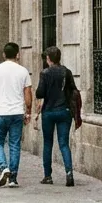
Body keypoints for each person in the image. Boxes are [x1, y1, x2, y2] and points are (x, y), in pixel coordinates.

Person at [0, 42, 32, 187]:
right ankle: (13, 178)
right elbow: (28, 93)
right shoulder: (23, 71)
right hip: (17, 113)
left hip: (0, 112)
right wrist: (28, 111)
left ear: (4, 55)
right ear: (18, 55)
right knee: (14, 145)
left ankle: (4, 167)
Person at [34, 47, 78, 186]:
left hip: (49, 112)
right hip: (65, 111)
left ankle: (48, 176)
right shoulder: (67, 72)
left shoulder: (45, 73)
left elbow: (39, 93)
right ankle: (69, 173)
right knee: (64, 143)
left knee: (48, 143)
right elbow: (73, 90)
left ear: (49, 59)